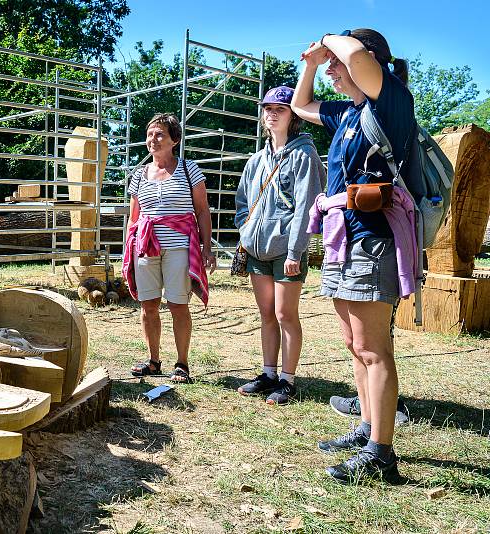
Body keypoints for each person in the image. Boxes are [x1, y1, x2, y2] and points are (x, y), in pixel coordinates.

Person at [291, 29, 416, 483]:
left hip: (375, 237)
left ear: (370, 64)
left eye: (334, 62)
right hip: (346, 236)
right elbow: (300, 107)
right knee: (353, 344)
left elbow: (359, 53)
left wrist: (331, 35)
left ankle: (381, 454)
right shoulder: (349, 112)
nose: (330, 69)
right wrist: (310, 62)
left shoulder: (390, 100)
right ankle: (367, 427)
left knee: (373, 348)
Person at [234, 86, 326, 405]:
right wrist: (246, 234)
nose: (272, 113)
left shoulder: (305, 155)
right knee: (267, 314)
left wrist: (295, 251)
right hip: (258, 250)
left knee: (286, 314)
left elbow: (307, 207)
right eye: (268, 108)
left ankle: (288, 380)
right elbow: (243, 200)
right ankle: (268, 373)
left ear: (294, 115)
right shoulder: (258, 159)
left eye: (280, 109)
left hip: (288, 252)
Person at [123, 113, 216, 384]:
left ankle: (182, 364)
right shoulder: (139, 175)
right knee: (147, 306)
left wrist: (206, 247)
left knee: (178, 305)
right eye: (150, 134)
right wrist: (128, 249)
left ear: (174, 140)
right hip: (145, 248)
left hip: (179, 248)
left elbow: (202, 210)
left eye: (160, 134)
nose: (153, 139)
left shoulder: (189, 169)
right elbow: (134, 217)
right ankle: (153, 361)